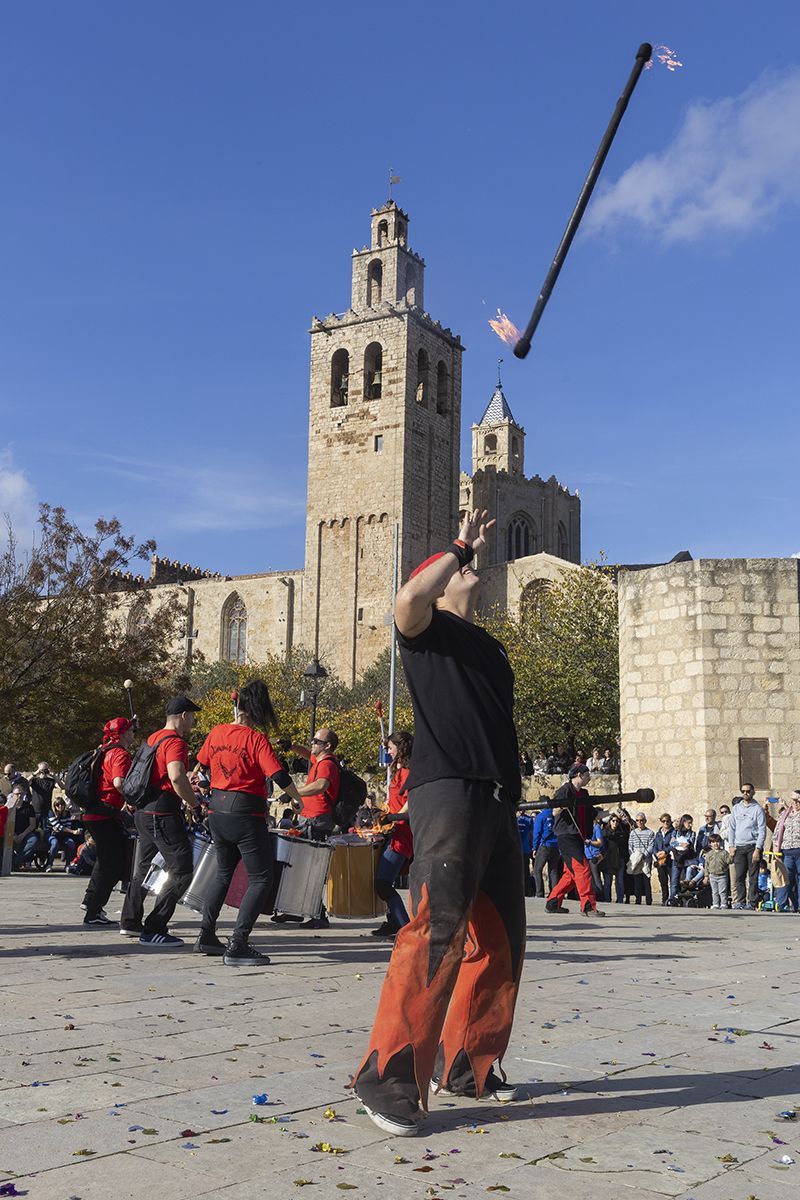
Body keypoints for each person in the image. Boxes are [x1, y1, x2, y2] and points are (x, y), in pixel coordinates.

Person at [352, 509, 525, 1138]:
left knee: (502, 942)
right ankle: (388, 1078)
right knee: (436, 930)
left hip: (496, 800)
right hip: (447, 791)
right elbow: (406, 600)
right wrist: (459, 546)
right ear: (442, 579)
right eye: (457, 569)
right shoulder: (426, 632)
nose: (471, 571)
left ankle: (467, 1066)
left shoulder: (492, 648)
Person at [193, 679, 304, 966]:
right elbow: (278, 775)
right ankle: (238, 943)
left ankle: (206, 934)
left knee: (222, 874)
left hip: (217, 811)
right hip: (245, 813)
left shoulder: (217, 732)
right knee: (261, 879)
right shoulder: (255, 740)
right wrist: (297, 799)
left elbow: (201, 762)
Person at [119, 696, 202, 946]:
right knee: (182, 870)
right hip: (163, 815)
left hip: (144, 813)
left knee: (143, 868)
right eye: (192, 716)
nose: (193, 721)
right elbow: (176, 777)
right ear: (184, 715)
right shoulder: (175, 742)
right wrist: (194, 804)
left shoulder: (153, 739)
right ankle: (154, 929)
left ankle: (130, 922)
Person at [81, 717, 134, 925]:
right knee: (113, 864)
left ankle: (90, 902)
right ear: (123, 734)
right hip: (106, 813)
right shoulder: (120, 754)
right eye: (131, 731)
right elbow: (119, 782)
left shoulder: (104, 750)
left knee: (106, 860)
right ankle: (93, 911)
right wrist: (133, 799)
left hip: (94, 812)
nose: (133, 734)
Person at [372, 730, 414, 939]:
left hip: (403, 834)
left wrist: (393, 817)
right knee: (383, 881)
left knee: (383, 882)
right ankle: (393, 922)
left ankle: (405, 927)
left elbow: (410, 801)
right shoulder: (399, 771)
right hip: (394, 831)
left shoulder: (408, 771)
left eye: (390, 748)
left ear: (401, 747)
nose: (387, 751)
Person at [545, 765, 603, 916]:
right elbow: (554, 811)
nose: (589, 777)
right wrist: (562, 805)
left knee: (570, 875)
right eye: (587, 774)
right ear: (579, 775)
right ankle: (588, 907)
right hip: (566, 836)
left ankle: (552, 903)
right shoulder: (564, 790)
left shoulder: (584, 794)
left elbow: (594, 814)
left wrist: (612, 813)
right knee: (582, 869)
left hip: (578, 837)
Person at [726, 783, 766, 910]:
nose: (745, 793)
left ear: (753, 792)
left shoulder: (757, 809)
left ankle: (752, 902)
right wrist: (731, 845)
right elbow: (732, 828)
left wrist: (758, 848)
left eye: (748, 791)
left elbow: (762, 830)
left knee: (753, 876)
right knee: (739, 876)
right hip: (739, 847)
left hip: (752, 846)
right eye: (743, 791)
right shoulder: (736, 808)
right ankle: (740, 901)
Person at [773, 790, 800, 913]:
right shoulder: (785, 814)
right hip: (787, 851)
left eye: (797, 800)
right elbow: (777, 832)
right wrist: (775, 848)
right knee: (785, 878)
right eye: (793, 800)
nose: (795, 803)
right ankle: (781, 904)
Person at [45, 796, 83, 871]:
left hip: (63, 835)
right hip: (51, 834)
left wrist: (65, 830)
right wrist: (73, 831)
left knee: (71, 843)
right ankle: (49, 864)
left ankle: (68, 864)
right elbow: (59, 826)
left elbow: (68, 825)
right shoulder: (51, 813)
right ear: (54, 806)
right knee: (55, 843)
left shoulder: (67, 813)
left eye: (62, 804)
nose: (60, 806)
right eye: (57, 805)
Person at [532, 804, 561, 898]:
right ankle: (554, 893)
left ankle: (539, 893)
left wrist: (535, 847)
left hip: (545, 846)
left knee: (537, 869)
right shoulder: (556, 815)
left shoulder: (541, 816)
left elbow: (537, 832)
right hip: (556, 846)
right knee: (553, 871)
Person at [627, 812, 654, 904]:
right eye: (637, 820)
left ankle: (648, 900)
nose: (639, 822)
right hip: (636, 860)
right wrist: (634, 856)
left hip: (646, 860)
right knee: (637, 880)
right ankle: (637, 900)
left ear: (645, 821)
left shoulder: (650, 833)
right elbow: (630, 845)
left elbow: (651, 846)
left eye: (641, 820)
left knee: (646, 880)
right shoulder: (633, 833)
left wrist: (644, 855)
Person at [10, 784, 39, 869]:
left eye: (21, 794)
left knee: (33, 840)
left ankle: (15, 862)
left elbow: (32, 824)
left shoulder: (29, 807)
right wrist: (14, 835)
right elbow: (7, 824)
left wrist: (22, 835)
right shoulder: (9, 807)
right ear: (12, 795)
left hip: (26, 833)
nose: (19, 796)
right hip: (11, 832)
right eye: (17, 794)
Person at [670, 814, 697, 903]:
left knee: (686, 879)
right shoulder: (675, 832)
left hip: (687, 858)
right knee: (674, 880)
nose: (690, 825)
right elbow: (672, 843)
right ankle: (673, 899)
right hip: (677, 858)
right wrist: (680, 844)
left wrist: (682, 844)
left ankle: (685, 899)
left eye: (691, 823)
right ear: (684, 822)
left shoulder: (692, 833)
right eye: (689, 823)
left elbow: (690, 843)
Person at [605, 811, 630, 903]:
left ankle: (620, 899)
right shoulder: (605, 832)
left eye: (617, 821)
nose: (615, 823)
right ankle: (607, 899)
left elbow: (628, 828)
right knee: (608, 880)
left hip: (619, 858)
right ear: (610, 822)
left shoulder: (622, 833)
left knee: (619, 880)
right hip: (609, 859)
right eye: (613, 821)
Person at [702, 833, 731, 909]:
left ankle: (723, 903)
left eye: (717, 841)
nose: (716, 844)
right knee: (714, 891)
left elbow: (729, 861)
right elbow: (706, 865)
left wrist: (731, 856)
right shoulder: (709, 854)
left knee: (722, 891)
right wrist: (706, 876)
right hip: (712, 875)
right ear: (710, 843)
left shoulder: (724, 853)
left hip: (722, 875)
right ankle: (715, 903)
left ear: (720, 842)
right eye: (713, 842)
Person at [653, 813, 675, 905]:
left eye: (667, 821)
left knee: (673, 880)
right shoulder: (658, 833)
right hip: (660, 860)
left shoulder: (673, 832)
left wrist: (665, 852)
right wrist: (656, 854)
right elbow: (655, 845)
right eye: (663, 821)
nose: (665, 823)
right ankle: (664, 899)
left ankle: (673, 899)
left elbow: (673, 844)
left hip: (670, 859)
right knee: (663, 881)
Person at [585, 810, 606, 901]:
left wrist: (590, 842)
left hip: (594, 855)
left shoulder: (596, 827)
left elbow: (600, 842)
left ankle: (600, 897)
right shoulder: (586, 827)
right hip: (586, 855)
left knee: (596, 877)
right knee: (589, 878)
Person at [30, 763, 57, 828]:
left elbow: (62, 786)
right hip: (35, 810)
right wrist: (35, 773)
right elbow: (24, 783)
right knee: (34, 829)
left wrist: (53, 775)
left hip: (47, 810)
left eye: (46, 769)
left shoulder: (51, 781)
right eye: (42, 769)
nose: (44, 771)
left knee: (47, 829)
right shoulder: (34, 780)